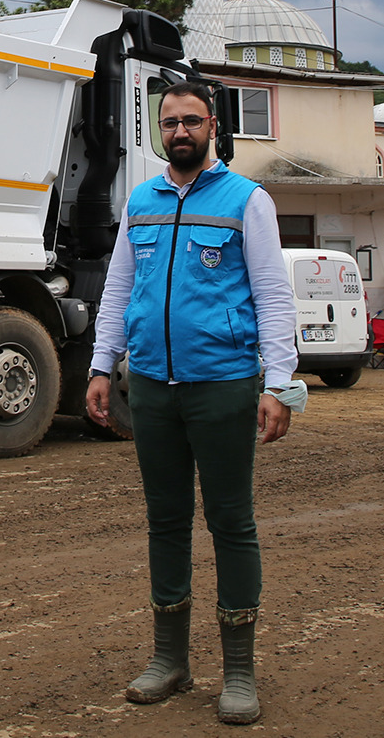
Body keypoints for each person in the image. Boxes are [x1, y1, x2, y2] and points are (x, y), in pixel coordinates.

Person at [84, 80, 301, 726]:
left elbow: (273, 295)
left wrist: (281, 384)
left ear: (213, 125)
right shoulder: (141, 201)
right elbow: (118, 287)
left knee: (232, 523)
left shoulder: (247, 200)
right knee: (166, 522)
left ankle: (238, 670)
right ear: (159, 130)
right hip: (150, 386)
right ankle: (169, 659)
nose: (179, 132)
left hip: (224, 386)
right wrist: (102, 366)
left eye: (190, 121)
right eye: (168, 122)